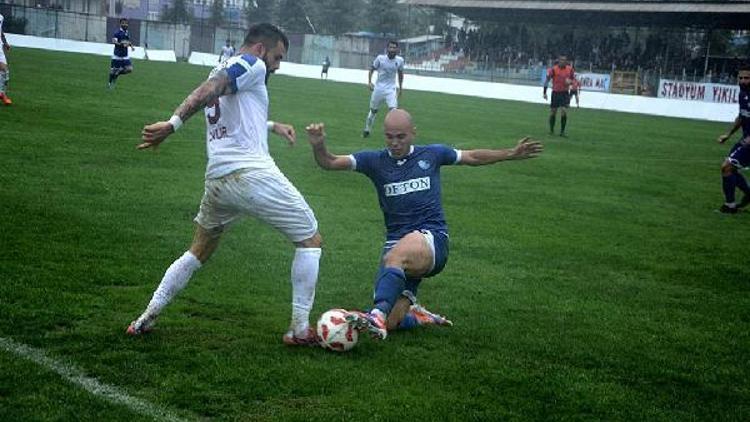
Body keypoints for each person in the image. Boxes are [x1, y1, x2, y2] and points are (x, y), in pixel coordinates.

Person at [127, 23, 322, 346]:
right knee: (311, 240)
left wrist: (273, 126)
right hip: (250, 175)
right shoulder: (253, 64)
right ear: (261, 49)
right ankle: (299, 330)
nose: (277, 65)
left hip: (218, 179)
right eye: (277, 56)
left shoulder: (225, 65)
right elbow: (212, 90)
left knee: (199, 249)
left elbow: (229, 106)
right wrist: (172, 125)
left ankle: (146, 317)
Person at [305, 109, 543, 339]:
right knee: (393, 322)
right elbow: (330, 162)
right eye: (389, 136)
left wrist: (510, 153)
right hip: (397, 245)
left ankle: (375, 316)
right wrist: (319, 146)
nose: (395, 142)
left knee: (394, 265)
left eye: (401, 136)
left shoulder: (432, 154)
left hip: (432, 239)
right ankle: (416, 315)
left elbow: (471, 156)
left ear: (413, 133)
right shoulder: (374, 161)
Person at [716, 65, 750, 214]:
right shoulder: (742, 94)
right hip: (745, 139)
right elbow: (741, 117)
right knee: (730, 168)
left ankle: (730, 206)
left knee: (726, 167)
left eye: (747, 78)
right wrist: (728, 134)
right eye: (741, 78)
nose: (743, 80)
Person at [363, 40, 404, 138]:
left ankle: (392, 133)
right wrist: (369, 82)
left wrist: (401, 88)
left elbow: (400, 74)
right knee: (373, 111)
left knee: (393, 111)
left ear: (397, 49)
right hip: (378, 89)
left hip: (391, 90)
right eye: (391, 47)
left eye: (394, 47)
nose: (392, 49)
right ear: (387, 48)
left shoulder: (400, 60)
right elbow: (371, 69)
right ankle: (367, 129)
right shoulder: (380, 58)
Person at [543, 55, 575, 136]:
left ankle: (562, 132)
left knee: (564, 111)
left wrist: (570, 82)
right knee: (553, 112)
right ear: (559, 61)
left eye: (564, 60)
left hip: (564, 93)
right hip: (555, 93)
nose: (563, 62)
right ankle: (551, 130)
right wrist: (544, 92)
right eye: (561, 60)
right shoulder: (553, 69)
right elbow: (547, 80)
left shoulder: (570, 69)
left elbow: (573, 80)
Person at [108, 18, 135, 89]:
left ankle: (118, 73)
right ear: (120, 24)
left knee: (130, 69)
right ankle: (110, 84)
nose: (125, 24)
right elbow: (114, 41)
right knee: (112, 71)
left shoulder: (127, 32)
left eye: (126, 23)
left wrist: (131, 46)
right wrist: (121, 44)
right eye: (123, 23)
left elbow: (128, 41)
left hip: (125, 55)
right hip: (117, 55)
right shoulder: (117, 33)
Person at [0, 12, 12, 105]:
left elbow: (0, 31)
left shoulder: (1, 17)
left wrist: (5, 42)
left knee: (5, 72)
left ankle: (2, 94)